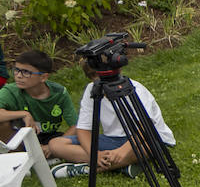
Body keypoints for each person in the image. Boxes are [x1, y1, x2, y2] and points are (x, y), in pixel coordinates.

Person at [47, 62, 176, 178]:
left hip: (146, 137)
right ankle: (121, 165)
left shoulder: (134, 88)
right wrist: (95, 154)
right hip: (113, 140)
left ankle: (90, 169)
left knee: (149, 147)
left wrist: (122, 151)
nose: (101, 83)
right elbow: (83, 129)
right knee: (55, 145)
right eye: (95, 77)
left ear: (118, 71)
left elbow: (145, 127)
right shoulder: (92, 90)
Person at [0, 49, 75, 157]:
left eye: (26, 72)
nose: (18, 76)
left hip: (50, 136)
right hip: (20, 136)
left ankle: (49, 152)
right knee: (2, 124)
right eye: (16, 70)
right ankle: (20, 155)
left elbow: (76, 125)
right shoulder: (10, 91)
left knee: (83, 138)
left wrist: (54, 145)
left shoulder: (59, 93)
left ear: (43, 77)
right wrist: (24, 114)